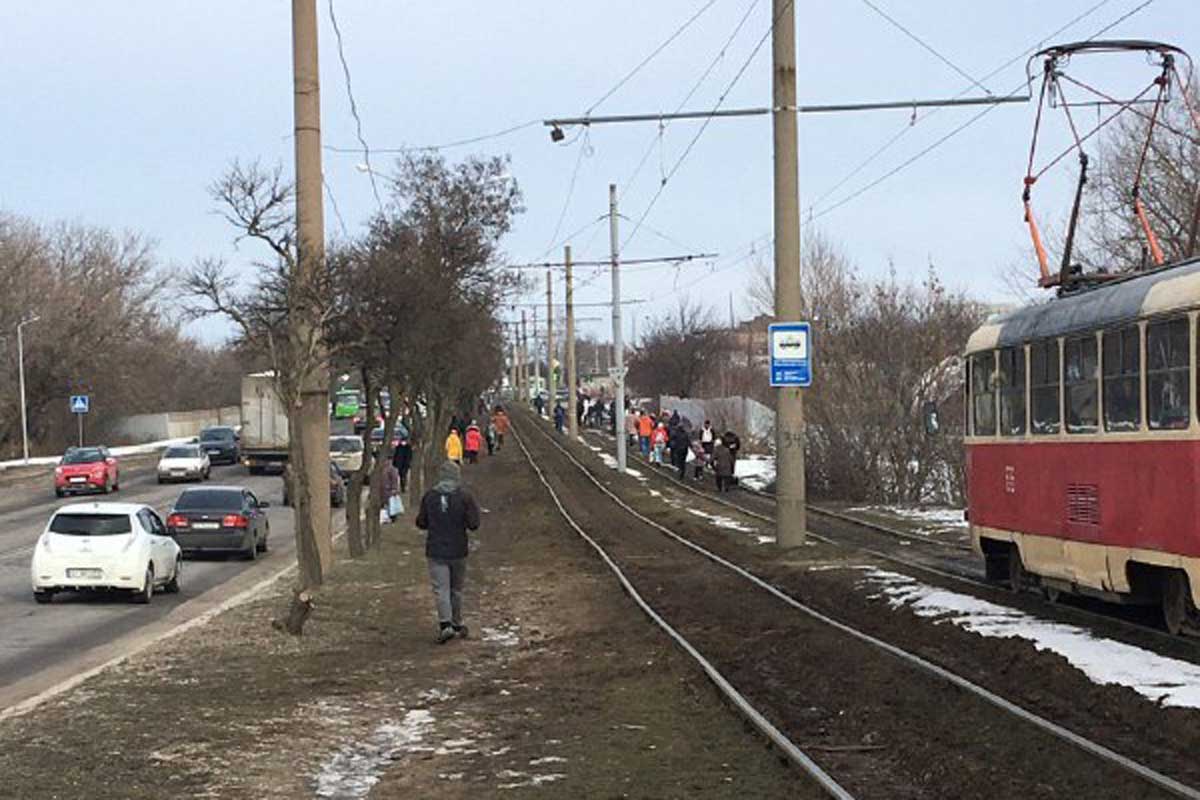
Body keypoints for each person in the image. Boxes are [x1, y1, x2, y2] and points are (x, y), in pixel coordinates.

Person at [415, 460, 481, 643]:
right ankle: (457, 623)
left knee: (441, 589)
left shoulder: (430, 496)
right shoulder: (465, 497)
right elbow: (474, 524)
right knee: (456, 589)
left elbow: (421, 522)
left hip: (436, 550)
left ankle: (446, 625)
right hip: (459, 550)